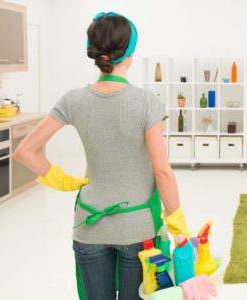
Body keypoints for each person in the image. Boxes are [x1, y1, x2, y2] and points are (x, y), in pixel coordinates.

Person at [14, 12, 216, 300]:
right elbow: (162, 172)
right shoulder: (146, 102)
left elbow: (25, 151)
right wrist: (179, 228)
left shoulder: (73, 99)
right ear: (131, 52)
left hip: (88, 227)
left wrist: (64, 181)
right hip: (139, 232)